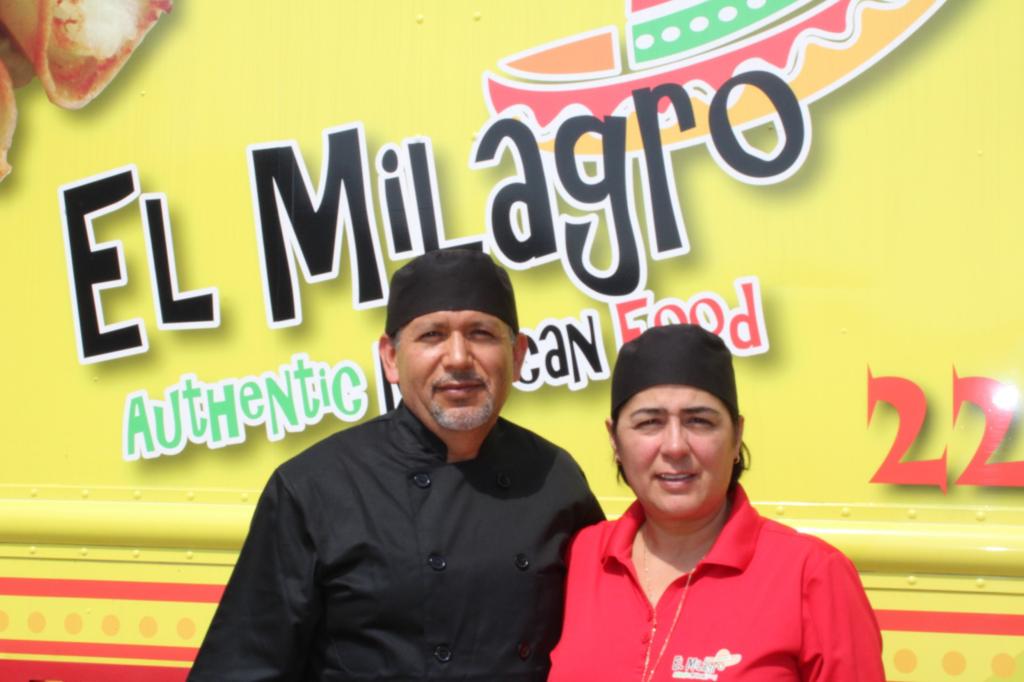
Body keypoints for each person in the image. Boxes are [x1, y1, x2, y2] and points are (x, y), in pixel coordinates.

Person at [188, 248, 604, 681]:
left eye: (481, 333)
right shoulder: (313, 488)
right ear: (390, 357)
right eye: (431, 336)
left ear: (517, 355)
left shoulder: (555, 479)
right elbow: (241, 668)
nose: (459, 357)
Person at [548, 324, 884, 682]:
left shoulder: (812, 573)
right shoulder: (581, 557)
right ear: (615, 440)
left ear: (737, 436)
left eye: (699, 421)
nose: (675, 446)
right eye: (649, 423)